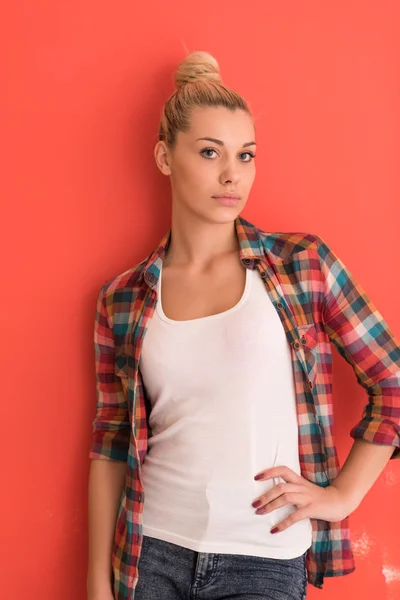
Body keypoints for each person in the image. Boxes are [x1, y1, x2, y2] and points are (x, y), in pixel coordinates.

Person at [86, 51, 400, 600]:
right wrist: (98, 582)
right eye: (210, 153)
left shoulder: (302, 266)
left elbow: (392, 382)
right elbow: (112, 441)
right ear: (165, 156)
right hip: (151, 552)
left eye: (246, 155)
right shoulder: (124, 298)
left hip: (263, 558)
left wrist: (343, 496)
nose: (233, 174)